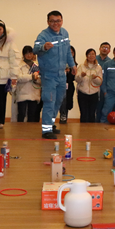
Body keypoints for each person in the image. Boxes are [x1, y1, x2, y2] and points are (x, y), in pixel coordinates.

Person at [33, 11, 76, 139]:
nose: (55, 23)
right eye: (52, 21)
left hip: (62, 74)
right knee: (49, 101)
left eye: (58, 21)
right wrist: (44, 47)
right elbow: (35, 49)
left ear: (62, 21)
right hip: (49, 75)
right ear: (48, 22)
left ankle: (50, 124)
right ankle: (46, 130)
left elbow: (68, 51)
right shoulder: (43, 35)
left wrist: (72, 65)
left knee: (58, 100)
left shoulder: (65, 33)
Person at [75, 48, 103, 123]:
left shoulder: (98, 67)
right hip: (82, 92)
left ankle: (91, 130)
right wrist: (81, 76)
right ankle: (82, 130)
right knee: (83, 114)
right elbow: (76, 79)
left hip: (94, 93)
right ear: (86, 56)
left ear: (95, 56)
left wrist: (95, 78)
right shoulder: (81, 66)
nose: (91, 56)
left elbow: (100, 82)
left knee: (92, 114)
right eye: (89, 54)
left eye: (93, 54)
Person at [15, 45, 42, 122]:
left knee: (32, 115)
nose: (29, 55)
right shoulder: (19, 65)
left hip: (34, 93)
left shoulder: (37, 65)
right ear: (23, 55)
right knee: (21, 114)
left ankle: (30, 130)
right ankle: (19, 129)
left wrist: (36, 79)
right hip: (22, 93)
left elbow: (41, 80)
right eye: (27, 53)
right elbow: (18, 77)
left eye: (30, 53)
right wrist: (31, 77)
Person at [95, 41, 112, 122]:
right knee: (94, 108)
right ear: (99, 48)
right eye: (103, 47)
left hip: (105, 88)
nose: (105, 49)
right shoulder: (94, 59)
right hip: (94, 87)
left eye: (107, 48)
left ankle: (101, 123)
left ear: (109, 51)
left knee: (103, 107)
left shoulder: (110, 62)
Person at [60, 46, 77, 123]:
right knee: (60, 102)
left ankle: (64, 117)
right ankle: (61, 117)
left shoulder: (74, 64)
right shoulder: (59, 63)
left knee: (67, 103)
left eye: (71, 52)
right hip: (60, 85)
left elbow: (74, 78)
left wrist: (70, 71)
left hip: (69, 86)